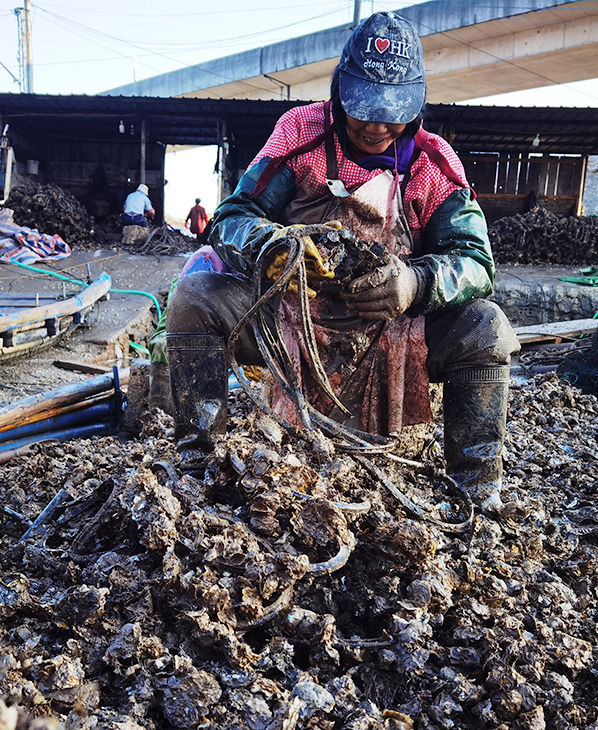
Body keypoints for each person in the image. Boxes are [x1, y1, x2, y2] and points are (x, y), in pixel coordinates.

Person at [164, 11, 520, 511]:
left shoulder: (432, 164)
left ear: (414, 106)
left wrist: (414, 283)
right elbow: (233, 217)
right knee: (195, 298)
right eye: (363, 108)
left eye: (391, 111)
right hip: (291, 317)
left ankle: (476, 497)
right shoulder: (300, 135)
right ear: (339, 93)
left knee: (485, 328)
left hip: (391, 328)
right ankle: (196, 469)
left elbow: (475, 263)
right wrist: (271, 247)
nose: (376, 125)